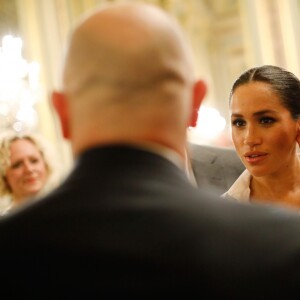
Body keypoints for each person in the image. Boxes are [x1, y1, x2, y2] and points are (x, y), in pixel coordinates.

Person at [1, 3, 300, 298]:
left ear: (62, 112)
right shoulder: (279, 246)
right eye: (239, 122)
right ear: (193, 105)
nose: (250, 137)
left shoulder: (12, 249)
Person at [223, 65, 300, 211]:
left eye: (266, 121)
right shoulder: (222, 216)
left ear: (298, 124)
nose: (250, 139)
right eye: (239, 123)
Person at [0, 130, 62, 215]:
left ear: (46, 164)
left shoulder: (65, 212)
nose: (29, 169)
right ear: (3, 176)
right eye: (17, 165)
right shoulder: (5, 225)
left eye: (34, 161)